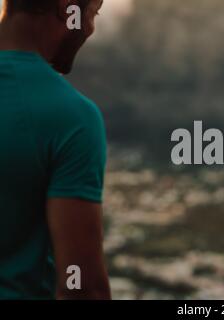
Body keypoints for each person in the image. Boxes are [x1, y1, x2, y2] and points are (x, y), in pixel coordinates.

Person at [0, 0, 111, 299]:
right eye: (92, 14)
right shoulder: (70, 115)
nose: (90, 28)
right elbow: (82, 287)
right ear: (68, 9)